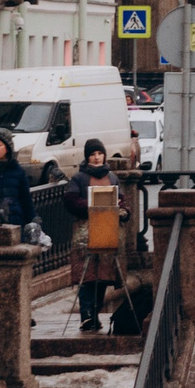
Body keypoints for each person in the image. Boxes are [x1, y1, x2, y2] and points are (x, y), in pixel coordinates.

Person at [63, 139, 124, 333]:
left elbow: (121, 200)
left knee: (103, 276)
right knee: (87, 275)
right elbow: (71, 201)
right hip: (85, 233)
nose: (97, 158)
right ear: (87, 157)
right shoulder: (79, 178)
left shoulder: (112, 178)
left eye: (99, 153)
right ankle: (87, 314)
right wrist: (93, 204)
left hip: (106, 231)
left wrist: (124, 211)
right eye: (92, 154)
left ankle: (95, 313)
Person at [0, 133, 35, 231]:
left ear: (7, 148)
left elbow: (26, 199)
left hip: (15, 220)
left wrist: (33, 219)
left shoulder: (18, 171)